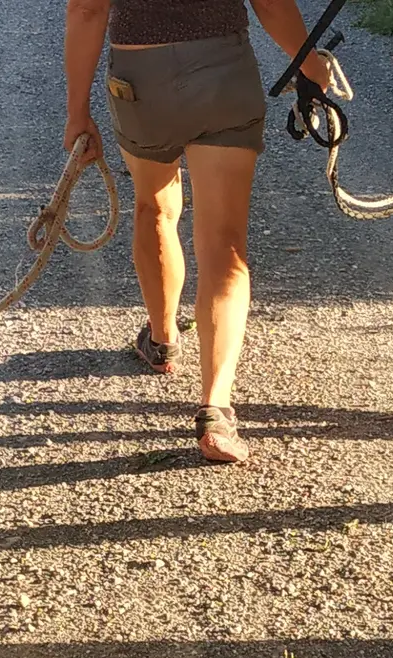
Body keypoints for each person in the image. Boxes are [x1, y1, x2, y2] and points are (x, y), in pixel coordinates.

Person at [62, 0, 331, 464]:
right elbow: (268, 2)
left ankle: (163, 339)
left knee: (154, 207)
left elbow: (86, 9)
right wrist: (310, 61)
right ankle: (215, 409)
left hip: (140, 76)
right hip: (223, 72)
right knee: (225, 244)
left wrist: (77, 111)